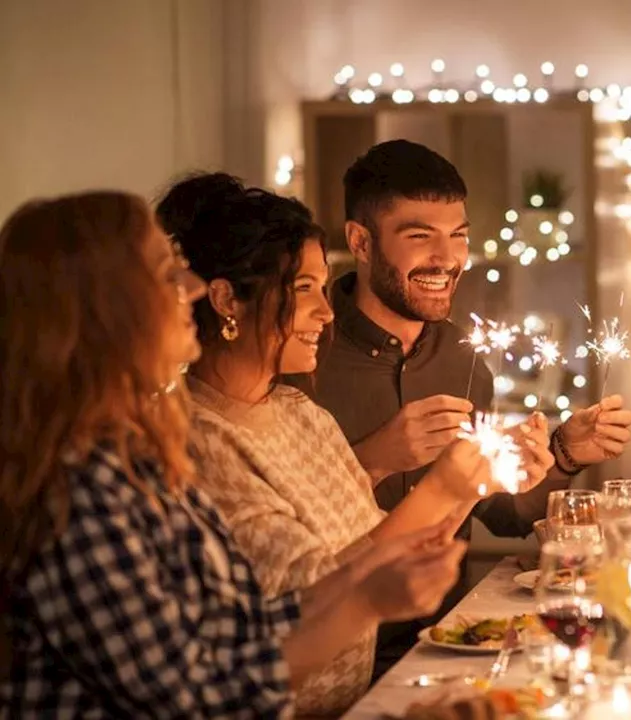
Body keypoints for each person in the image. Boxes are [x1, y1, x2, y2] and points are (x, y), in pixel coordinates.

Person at [0, 191, 467, 716]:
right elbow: (191, 700)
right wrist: (365, 599)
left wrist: (390, 563)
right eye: (164, 273)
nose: (192, 288)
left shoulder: (136, 458)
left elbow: (243, 626)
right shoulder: (80, 492)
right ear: (100, 310)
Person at [157, 173, 535, 715]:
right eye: (305, 288)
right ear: (225, 301)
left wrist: (475, 483)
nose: (326, 311)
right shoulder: (198, 438)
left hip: (365, 701)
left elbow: (383, 545)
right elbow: (319, 597)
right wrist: (444, 485)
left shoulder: (301, 413)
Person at [293, 139, 631, 674]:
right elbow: (281, 536)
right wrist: (374, 457)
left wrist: (564, 452)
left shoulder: (462, 357)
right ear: (360, 242)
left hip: (447, 642)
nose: (448, 259)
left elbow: (499, 512)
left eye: (458, 236)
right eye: (420, 237)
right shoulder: (304, 352)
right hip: (327, 652)